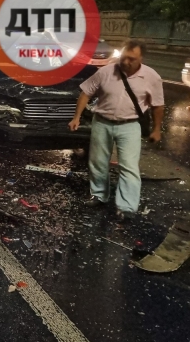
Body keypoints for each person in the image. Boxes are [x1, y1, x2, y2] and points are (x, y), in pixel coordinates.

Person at [68, 39, 164, 221]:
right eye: (124, 57)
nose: (126, 62)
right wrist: (77, 117)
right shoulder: (106, 71)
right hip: (102, 123)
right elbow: (86, 93)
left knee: (128, 166)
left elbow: (158, 106)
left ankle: (126, 206)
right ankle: (98, 195)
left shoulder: (152, 77)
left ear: (141, 58)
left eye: (132, 59)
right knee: (98, 162)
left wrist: (157, 129)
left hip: (130, 126)